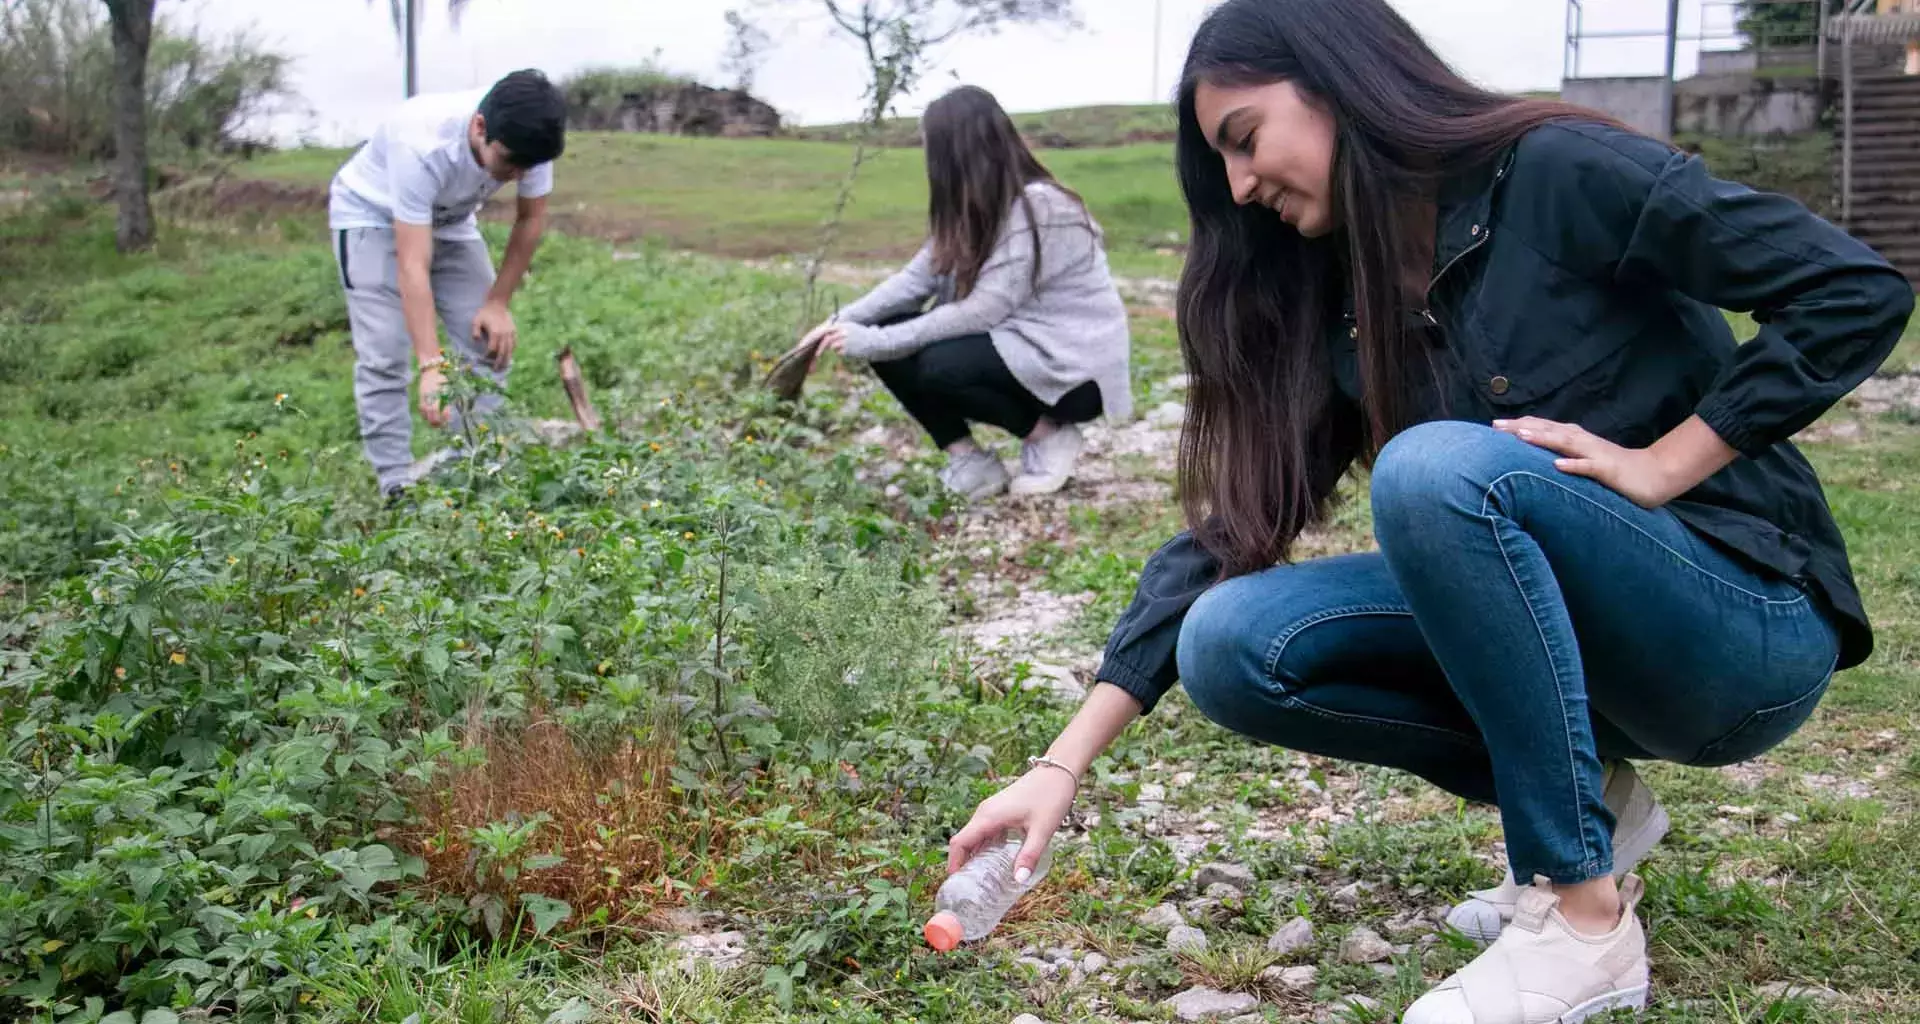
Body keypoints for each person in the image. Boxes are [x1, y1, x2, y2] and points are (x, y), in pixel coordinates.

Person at [947, 1, 1913, 1020]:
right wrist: (1063, 762)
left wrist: (1666, 464)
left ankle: (1582, 922)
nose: (1237, 184)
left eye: (1245, 139)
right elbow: (1233, 532)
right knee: (1229, 640)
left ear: (1339, 83)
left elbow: (1850, 289)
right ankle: (1597, 814)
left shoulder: (1557, 169)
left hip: (1744, 630)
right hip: (1591, 651)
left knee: (1434, 470)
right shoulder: (1344, 298)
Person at [806, 86, 1133, 500]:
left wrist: (878, 340)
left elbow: (984, 311)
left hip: (1071, 369)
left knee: (936, 362)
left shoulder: (1044, 207)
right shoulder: (971, 212)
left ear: (955, 152)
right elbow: (913, 282)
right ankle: (970, 461)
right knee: (889, 333)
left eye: (932, 149)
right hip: (1019, 353)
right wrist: (838, 324)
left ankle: (1048, 436)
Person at [328, 70, 567, 499]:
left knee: (489, 341)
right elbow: (413, 263)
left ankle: (473, 466)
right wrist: (431, 363)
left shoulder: (530, 137)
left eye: (526, 168)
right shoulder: (421, 143)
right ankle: (395, 486)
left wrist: (497, 302)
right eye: (508, 163)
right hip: (371, 215)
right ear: (479, 128)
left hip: (451, 220)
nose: (515, 175)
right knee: (384, 352)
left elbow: (530, 219)